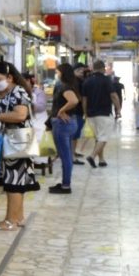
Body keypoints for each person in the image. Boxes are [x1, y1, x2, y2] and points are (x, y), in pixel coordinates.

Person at [0, 62, 39, 230]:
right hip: (7, 142)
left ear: (10, 77)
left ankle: (10, 221)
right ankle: (18, 217)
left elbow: (20, 115)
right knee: (14, 180)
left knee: (14, 181)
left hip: (18, 141)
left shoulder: (18, 92)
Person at [48, 63, 80, 194]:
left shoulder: (63, 86)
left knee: (65, 156)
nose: (56, 74)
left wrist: (61, 110)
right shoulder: (70, 85)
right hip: (69, 123)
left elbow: (73, 101)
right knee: (66, 155)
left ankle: (66, 185)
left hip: (62, 124)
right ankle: (65, 183)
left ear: (62, 73)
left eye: (57, 72)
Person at [81, 59, 119, 168]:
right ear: (103, 68)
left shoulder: (87, 81)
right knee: (103, 137)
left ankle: (101, 160)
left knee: (98, 138)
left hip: (91, 114)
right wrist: (118, 109)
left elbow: (84, 100)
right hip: (104, 113)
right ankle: (92, 156)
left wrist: (85, 113)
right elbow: (113, 96)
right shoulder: (106, 80)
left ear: (93, 68)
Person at [71, 64, 88, 164]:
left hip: (78, 112)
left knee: (76, 134)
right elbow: (80, 98)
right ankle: (72, 156)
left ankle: (73, 152)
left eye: (82, 70)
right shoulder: (74, 83)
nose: (81, 71)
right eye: (78, 70)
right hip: (75, 112)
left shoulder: (80, 81)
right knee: (74, 134)